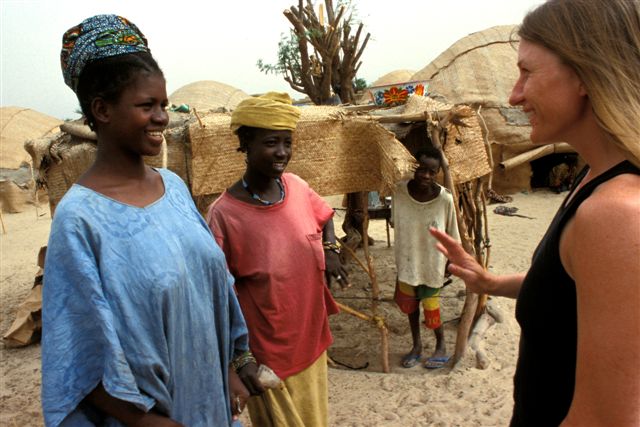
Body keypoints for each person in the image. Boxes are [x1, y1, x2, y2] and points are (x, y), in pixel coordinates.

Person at [430, 1, 640, 426]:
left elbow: (606, 419)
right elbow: (578, 290)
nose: (514, 94)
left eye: (528, 72)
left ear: (585, 72)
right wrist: (490, 281)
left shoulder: (616, 212)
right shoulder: (593, 179)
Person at [42, 15, 252, 426]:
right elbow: (76, 350)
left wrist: (228, 366)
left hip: (209, 400)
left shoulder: (172, 188)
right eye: (146, 106)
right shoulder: (79, 219)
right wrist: (141, 421)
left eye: (164, 105)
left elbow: (209, 289)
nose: (162, 118)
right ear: (101, 110)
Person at [206, 92, 349, 427]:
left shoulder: (296, 187)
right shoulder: (224, 216)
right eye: (271, 142)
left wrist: (330, 248)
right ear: (245, 143)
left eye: (287, 142)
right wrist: (238, 360)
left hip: (312, 341)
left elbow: (324, 215)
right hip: (269, 359)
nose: (282, 152)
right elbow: (216, 298)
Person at [392, 147, 460, 369]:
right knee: (410, 308)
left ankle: (440, 345)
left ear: (438, 172)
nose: (426, 175)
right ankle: (417, 345)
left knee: (431, 306)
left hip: (433, 263)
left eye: (432, 171)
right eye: (421, 169)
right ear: (414, 167)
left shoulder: (445, 200)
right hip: (407, 262)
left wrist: (451, 262)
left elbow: (453, 235)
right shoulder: (399, 192)